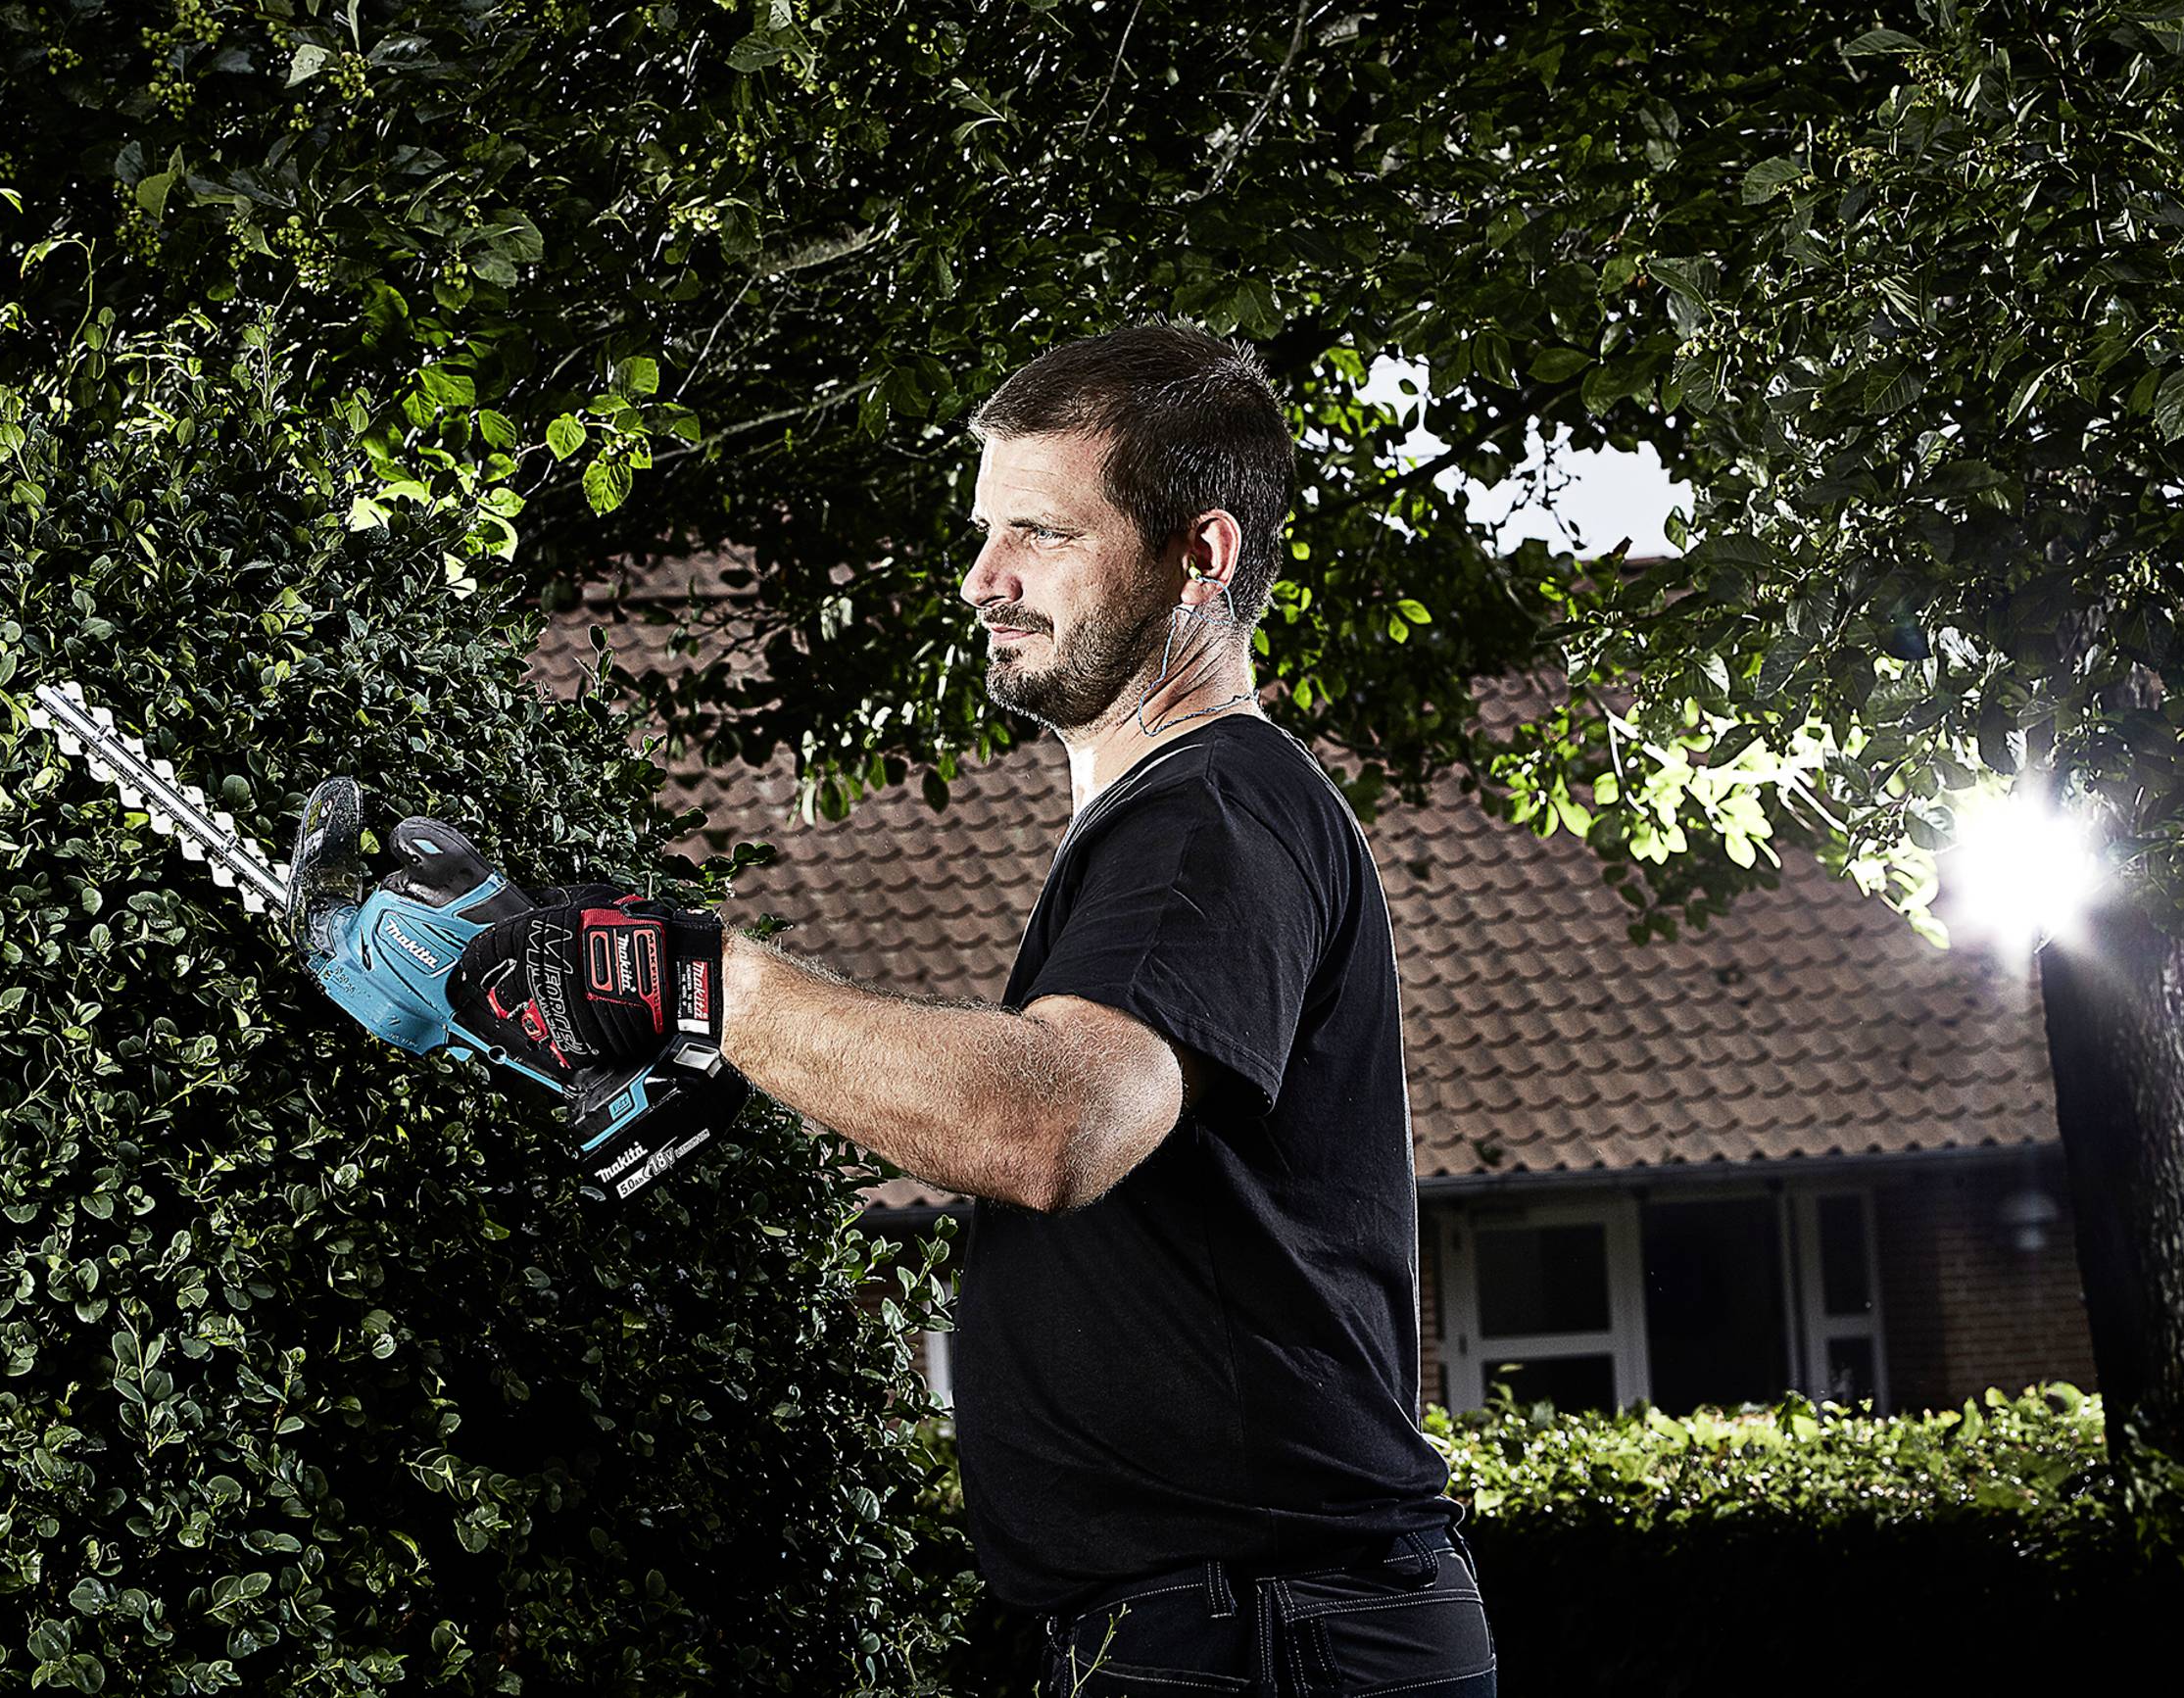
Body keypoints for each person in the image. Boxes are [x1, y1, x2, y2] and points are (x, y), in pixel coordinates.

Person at [448, 321, 1496, 1698]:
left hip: (1261, 1636)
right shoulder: (1191, 814)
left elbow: (1055, 1121)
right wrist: (723, 1047)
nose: (982, 579)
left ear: (1200, 555)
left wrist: (702, 981)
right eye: (985, 531)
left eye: (1040, 535)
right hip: (1232, 1623)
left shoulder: (1210, 815)